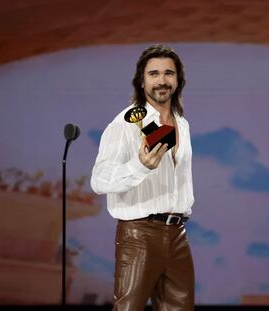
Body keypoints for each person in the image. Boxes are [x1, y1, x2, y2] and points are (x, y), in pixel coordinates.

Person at [91, 44, 195, 311]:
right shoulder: (125, 122)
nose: (162, 80)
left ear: (178, 80)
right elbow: (99, 180)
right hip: (139, 233)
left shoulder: (181, 123)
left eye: (169, 73)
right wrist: (139, 166)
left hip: (177, 234)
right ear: (141, 80)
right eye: (154, 73)